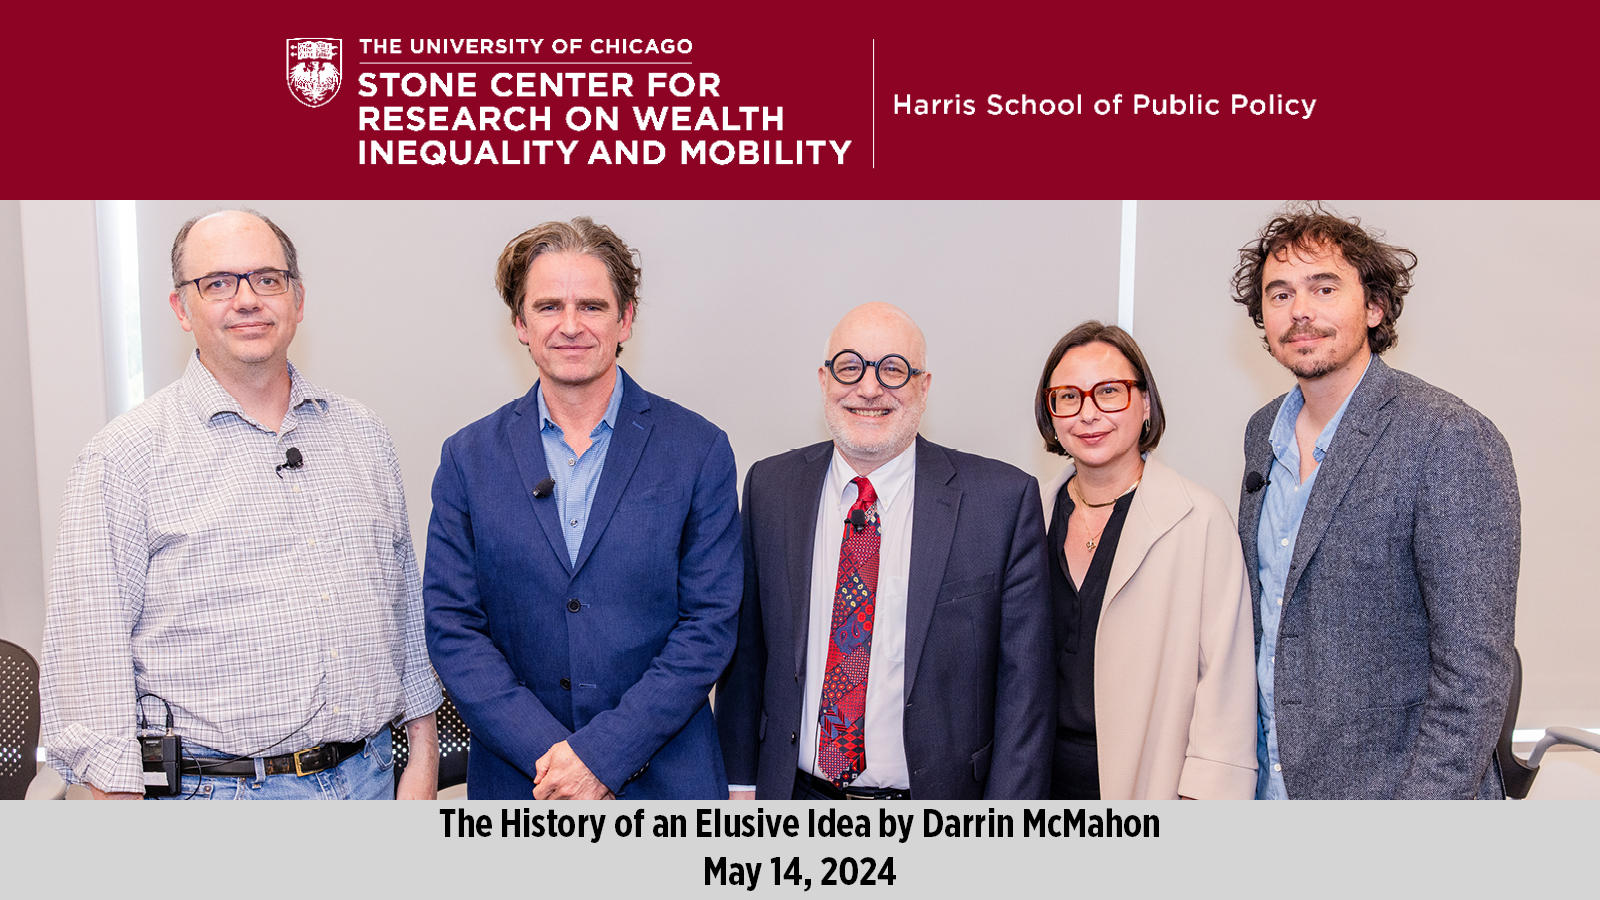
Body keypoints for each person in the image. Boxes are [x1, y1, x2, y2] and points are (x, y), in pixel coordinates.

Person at [39, 210, 440, 800]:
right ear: (181, 308)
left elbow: (403, 608)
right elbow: (87, 661)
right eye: (218, 283)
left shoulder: (363, 435)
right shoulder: (123, 458)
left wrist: (422, 764)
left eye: (267, 279)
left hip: (373, 779)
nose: (247, 299)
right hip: (218, 796)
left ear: (297, 299)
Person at [424, 217, 741, 800]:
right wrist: (556, 760)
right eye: (548, 307)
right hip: (524, 781)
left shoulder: (698, 450)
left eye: (592, 306)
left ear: (625, 319)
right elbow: (452, 629)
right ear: (520, 324)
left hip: (666, 781)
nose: (570, 326)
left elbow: (709, 626)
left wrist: (601, 756)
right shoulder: (468, 457)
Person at [1232, 204, 1519, 799]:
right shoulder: (1263, 432)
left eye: (1325, 287)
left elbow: (1473, 676)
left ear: (1375, 306)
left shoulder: (1448, 436)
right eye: (1279, 293)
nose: (1300, 310)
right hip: (1272, 787)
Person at [716, 301, 1053, 800]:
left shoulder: (1001, 502)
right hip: (792, 796)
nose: (869, 388)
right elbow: (747, 656)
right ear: (824, 379)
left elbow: (1026, 697)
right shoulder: (770, 488)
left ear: (924, 386)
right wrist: (739, 785)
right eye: (850, 367)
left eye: (893, 370)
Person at [1033, 322, 1256, 800]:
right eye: (1068, 397)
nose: (1088, 414)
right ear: (1050, 414)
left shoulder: (1198, 519)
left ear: (1146, 403)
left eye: (1109, 392)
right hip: (1035, 782)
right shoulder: (1030, 515)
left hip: (1150, 784)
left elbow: (1227, 680)